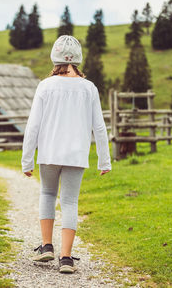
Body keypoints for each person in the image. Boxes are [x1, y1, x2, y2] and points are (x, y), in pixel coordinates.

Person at [21, 35, 111, 274]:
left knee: (48, 194)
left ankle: (46, 245)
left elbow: (33, 126)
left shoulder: (45, 86)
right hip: (76, 155)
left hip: (48, 152)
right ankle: (66, 258)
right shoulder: (89, 88)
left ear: (55, 57)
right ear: (77, 60)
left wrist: (27, 159)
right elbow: (99, 127)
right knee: (70, 202)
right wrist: (105, 160)